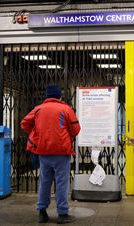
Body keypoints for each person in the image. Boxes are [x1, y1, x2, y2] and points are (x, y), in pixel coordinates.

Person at [21, 84, 81, 224]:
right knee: (61, 183)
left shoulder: (38, 109)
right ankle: (62, 214)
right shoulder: (65, 109)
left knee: (45, 182)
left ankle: (42, 212)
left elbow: (24, 123)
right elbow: (76, 129)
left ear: (47, 96)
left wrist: (37, 132)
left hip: (43, 152)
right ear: (59, 96)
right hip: (61, 152)